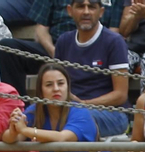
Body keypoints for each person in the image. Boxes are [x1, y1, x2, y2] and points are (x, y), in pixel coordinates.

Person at [6, 60, 118, 152]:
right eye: (49, 85)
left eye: (60, 83)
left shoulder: (80, 111)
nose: (56, 89)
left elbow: (62, 138)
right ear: (41, 91)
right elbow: (9, 138)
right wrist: (14, 129)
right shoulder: (36, 111)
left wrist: (25, 130)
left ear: (68, 87)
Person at [52, 0, 130, 137]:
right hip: (71, 109)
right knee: (33, 113)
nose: (86, 12)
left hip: (111, 113)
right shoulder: (63, 41)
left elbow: (120, 95)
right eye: (81, 6)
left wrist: (84, 104)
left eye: (92, 7)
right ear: (70, 11)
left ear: (101, 12)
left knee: (76, 117)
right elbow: (55, 81)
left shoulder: (114, 41)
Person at [26, 0, 120, 59]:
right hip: (54, 46)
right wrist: (55, 53)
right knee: (12, 48)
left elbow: (113, 31)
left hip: (95, 49)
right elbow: (41, 28)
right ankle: (12, 91)